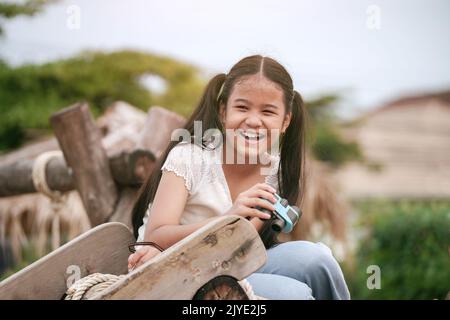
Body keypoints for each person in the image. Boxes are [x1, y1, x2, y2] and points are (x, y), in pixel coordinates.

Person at [128, 55, 350, 300]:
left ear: (285, 121)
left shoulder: (274, 174)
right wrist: (228, 219)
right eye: (242, 108)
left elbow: (237, 251)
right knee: (294, 294)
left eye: (268, 111)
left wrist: (243, 225)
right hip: (172, 273)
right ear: (223, 111)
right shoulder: (189, 158)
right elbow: (155, 236)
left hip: (228, 265)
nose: (253, 121)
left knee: (318, 260)